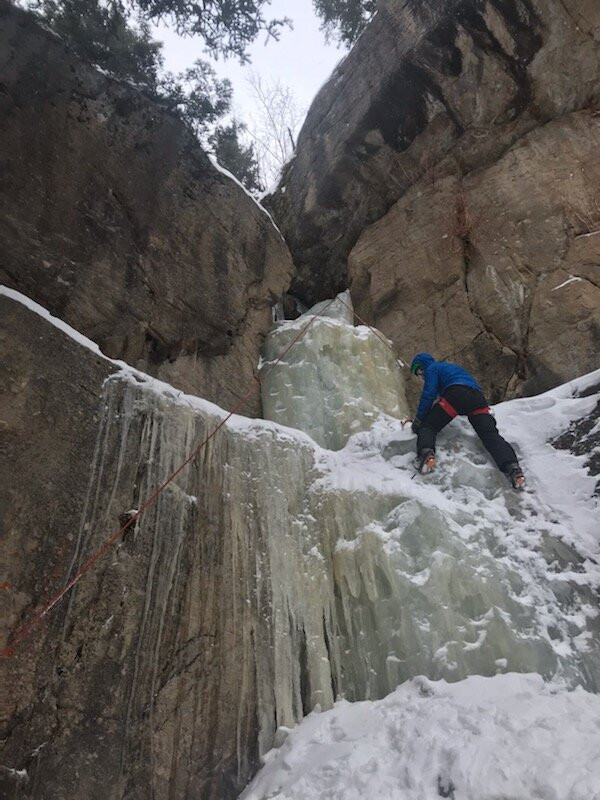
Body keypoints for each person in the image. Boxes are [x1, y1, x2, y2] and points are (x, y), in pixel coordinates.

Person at [409, 353, 525, 489]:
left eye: (419, 371)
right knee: (490, 435)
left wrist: (419, 420)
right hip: (477, 398)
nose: (421, 375)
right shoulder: (452, 368)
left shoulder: (432, 368)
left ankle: (426, 455)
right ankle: (513, 468)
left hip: (456, 395)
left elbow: (428, 394)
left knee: (429, 426)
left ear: (423, 365)